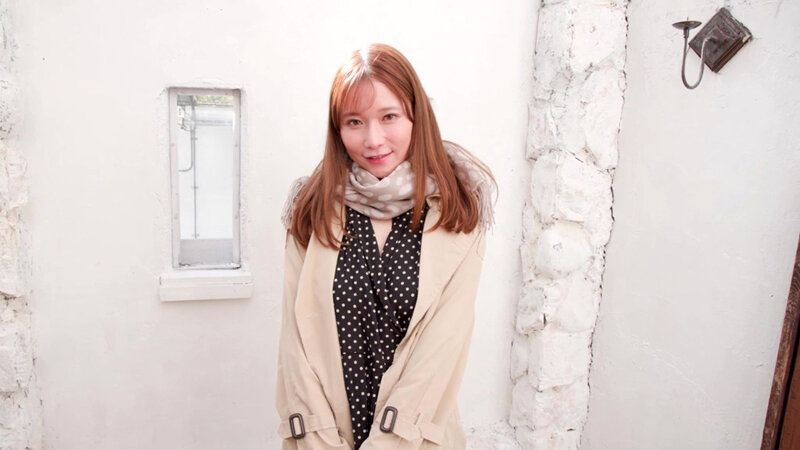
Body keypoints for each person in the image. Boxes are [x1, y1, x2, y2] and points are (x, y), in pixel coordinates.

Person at [275, 43, 495, 450]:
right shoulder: (312, 209)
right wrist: (322, 441)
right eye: (354, 122)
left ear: (416, 116)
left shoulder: (459, 211)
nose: (372, 139)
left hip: (416, 438)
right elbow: (295, 344)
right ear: (338, 130)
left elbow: (441, 351)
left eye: (389, 116)